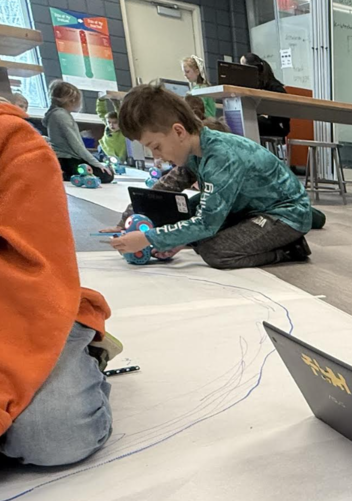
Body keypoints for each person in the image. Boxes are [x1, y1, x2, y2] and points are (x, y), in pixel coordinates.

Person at [0, 97, 117, 467]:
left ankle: (85, 345)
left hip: (20, 306)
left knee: (57, 435)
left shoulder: (15, 140)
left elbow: (36, 273)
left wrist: (161, 236)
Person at [110, 84, 312, 269]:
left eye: (156, 147)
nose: (156, 156)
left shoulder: (221, 157)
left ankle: (289, 250)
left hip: (286, 215)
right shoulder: (194, 151)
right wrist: (126, 221)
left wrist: (148, 238)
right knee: (187, 218)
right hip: (248, 209)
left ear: (179, 131)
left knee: (214, 251)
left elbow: (206, 223)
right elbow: (164, 189)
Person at [43, 81, 114, 183]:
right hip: (67, 159)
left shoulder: (59, 114)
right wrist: (96, 163)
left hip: (66, 157)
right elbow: (76, 145)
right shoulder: (60, 115)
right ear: (71, 100)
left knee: (105, 169)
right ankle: (65, 173)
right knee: (106, 175)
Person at [239, 52, 290, 140]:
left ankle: (251, 151)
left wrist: (264, 115)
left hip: (278, 125)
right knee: (237, 122)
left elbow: (282, 113)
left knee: (246, 123)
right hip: (266, 121)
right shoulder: (256, 85)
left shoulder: (274, 87)